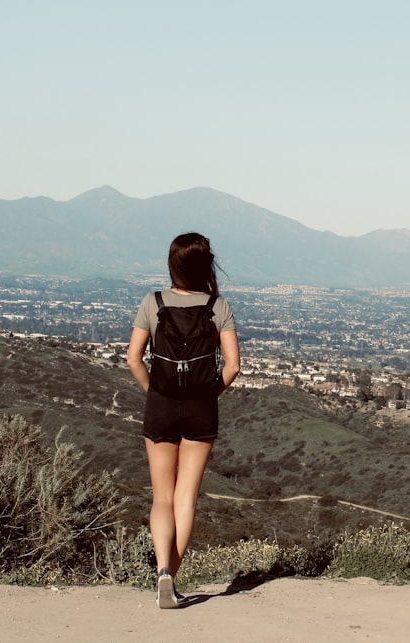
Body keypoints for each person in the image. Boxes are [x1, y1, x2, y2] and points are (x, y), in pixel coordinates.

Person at [127, 232, 240, 609]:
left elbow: (133, 359)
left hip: (161, 404)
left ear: (172, 264)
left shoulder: (153, 302)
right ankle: (170, 581)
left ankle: (161, 571)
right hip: (200, 408)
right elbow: (234, 366)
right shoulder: (217, 306)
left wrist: (154, 392)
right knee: (185, 498)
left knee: (161, 497)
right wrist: (207, 395)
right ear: (205, 266)